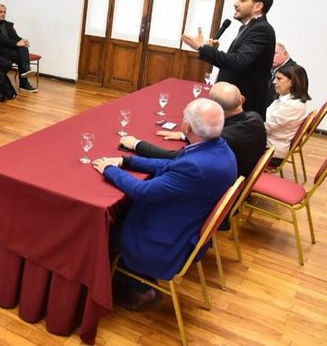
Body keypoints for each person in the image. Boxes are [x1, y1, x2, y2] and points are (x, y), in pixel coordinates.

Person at [93, 98, 237, 311]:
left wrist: (109, 169)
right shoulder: (220, 148)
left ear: (186, 127)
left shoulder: (196, 166)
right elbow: (174, 164)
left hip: (164, 241)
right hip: (185, 224)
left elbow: (142, 192)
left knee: (102, 227)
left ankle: (138, 287)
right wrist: (127, 161)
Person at [119, 82, 266, 179]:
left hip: (214, 188)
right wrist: (184, 135)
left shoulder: (223, 139)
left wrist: (136, 144)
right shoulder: (256, 118)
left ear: (216, 108)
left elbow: (175, 157)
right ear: (242, 100)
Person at [182, 0, 276, 119]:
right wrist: (212, 50)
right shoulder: (248, 28)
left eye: (242, 0)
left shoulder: (261, 29)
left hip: (244, 108)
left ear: (258, 6)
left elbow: (238, 62)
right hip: (233, 105)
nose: (235, 4)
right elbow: (238, 62)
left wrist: (202, 48)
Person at [0, 4, 37, 92]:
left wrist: (23, 40)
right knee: (20, 54)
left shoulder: (7, 24)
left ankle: (26, 71)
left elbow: (15, 37)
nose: (3, 14)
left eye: (4, 12)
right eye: (0, 12)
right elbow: (1, 39)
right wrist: (17, 43)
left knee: (23, 48)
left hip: (9, 49)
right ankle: (24, 81)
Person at [266, 64, 310, 162]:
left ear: (292, 82)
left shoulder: (293, 106)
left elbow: (264, 127)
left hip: (271, 150)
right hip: (269, 142)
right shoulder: (284, 98)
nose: (274, 82)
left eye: (279, 79)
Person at [267, 42, 306, 107]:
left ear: (285, 54)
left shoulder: (294, 71)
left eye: (274, 53)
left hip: (282, 111)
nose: (270, 57)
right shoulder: (272, 69)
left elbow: (271, 98)